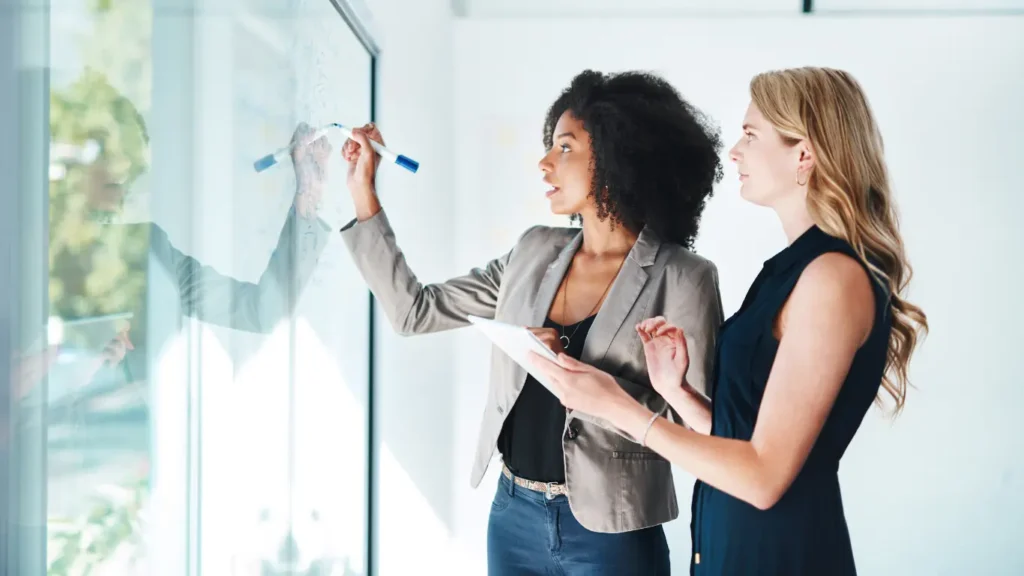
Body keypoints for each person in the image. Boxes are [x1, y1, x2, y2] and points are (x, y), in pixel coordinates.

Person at [528, 66, 930, 575]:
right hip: (730, 550)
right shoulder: (790, 270)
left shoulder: (831, 279)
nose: (734, 152)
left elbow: (763, 479)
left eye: (751, 135)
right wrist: (676, 393)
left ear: (803, 155)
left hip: (781, 557)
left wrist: (618, 407)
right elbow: (746, 441)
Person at [338, 70, 724, 574]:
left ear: (619, 156)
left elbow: (703, 432)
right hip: (512, 517)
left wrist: (582, 379)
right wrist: (363, 192)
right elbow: (415, 311)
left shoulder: (684, 277)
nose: (545, 163)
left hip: (612, 531)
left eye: (565, 148)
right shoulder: (533, 250)